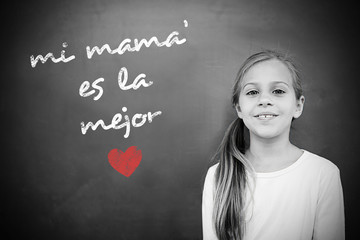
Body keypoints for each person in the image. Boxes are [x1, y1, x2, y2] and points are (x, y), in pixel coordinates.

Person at [201, 50, 345, 240]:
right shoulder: (218, 176)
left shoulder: (323, 174)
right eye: (253, 92)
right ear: (239, 108)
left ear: (298, 106)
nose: (265, 100)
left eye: (278, 91)